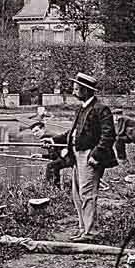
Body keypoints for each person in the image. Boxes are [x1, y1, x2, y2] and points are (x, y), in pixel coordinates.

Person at [43, 72, 117, 243]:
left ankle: (90, 232)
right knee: (77, 194)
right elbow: (74, 133)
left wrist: (96, 155)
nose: (73, 91)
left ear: (86, 90)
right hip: (77, 155)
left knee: (88, 194)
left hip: (89, 156)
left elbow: (108, 136)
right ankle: (83, 228)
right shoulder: (82, 108)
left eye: (77, 89)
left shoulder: (101, 109)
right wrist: (54, 139)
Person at [28, 121, 72, 188]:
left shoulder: (48, 136)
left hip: (69, 156)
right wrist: (41, 156)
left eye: (37, 131)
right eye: (33, 132)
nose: (35, 134)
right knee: (53, 165)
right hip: (64, 157)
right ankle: (54, 188)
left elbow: (61, 149)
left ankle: (52, 188)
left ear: (43, 129)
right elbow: (54, 156)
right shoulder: (46, 137)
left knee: (51, 166)